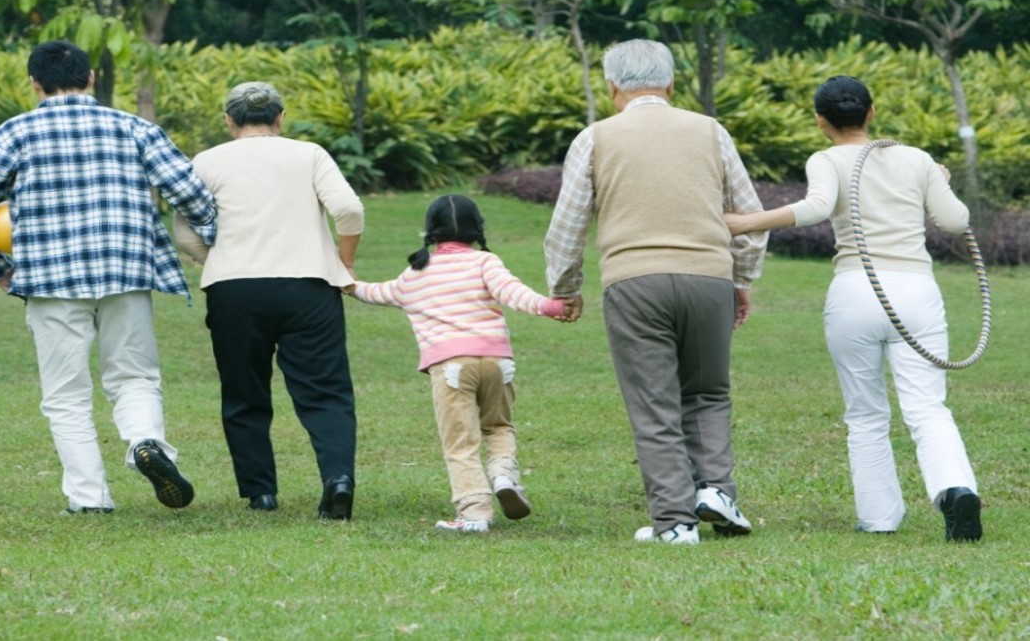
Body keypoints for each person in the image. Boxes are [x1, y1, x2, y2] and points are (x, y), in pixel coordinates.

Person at [0, 39, 217, 515]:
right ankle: (144, 443)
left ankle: (89, 499)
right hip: (126, 269)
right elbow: (190, 192)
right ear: (91, 78)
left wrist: (0, 266)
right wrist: (212, 240)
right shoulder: (133, 127)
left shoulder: (14, 133)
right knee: (134, 376)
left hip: (50, 279)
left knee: (66, 394)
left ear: (35, 84)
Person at [725, 75, 982, 542]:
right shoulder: (916, 158)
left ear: (820, 120)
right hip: (915, 291)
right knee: (927, 406)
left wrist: (744, 222)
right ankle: (955, 489)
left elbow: (819, 206)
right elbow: (955, 221)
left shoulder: (826, 158)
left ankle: (880, 518)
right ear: (872, 112)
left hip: (854, 292)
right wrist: (936, 179)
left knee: (865, 413)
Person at [544, 39, 768, 546]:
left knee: (654, 402)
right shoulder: (711, 131)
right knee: (709, 393)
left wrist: (566, 287)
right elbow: (751, 219)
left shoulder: (595, 138)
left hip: (634, 280)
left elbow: (567, 225)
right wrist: (741, 279)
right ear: (670, 83)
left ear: (611, 87)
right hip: (709, 277)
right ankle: (716, 492)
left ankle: (675, 522)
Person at [173, 81, 364, 519]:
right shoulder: (309, 153)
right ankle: (338, 479)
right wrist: (345, 263)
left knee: (244, 391)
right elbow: (349, 210)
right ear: (280, 118)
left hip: (234, 288)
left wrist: (214, 260)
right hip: (308, 285)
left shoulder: (207, 161)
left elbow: (183, 231)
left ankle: (261, 492)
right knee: (326, 391)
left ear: (229, 121)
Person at [347, 194, 573, 533]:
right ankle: (503, 476)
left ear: (430, 232)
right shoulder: (485, 262)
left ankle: (475, 513)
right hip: (497, 363)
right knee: (498, 426)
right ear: (476, 229)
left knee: (461, 441)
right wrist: (551, 307)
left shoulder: (415, 274)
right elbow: (514, 293)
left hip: (450, 367)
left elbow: (376, 292)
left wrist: (346, 284)